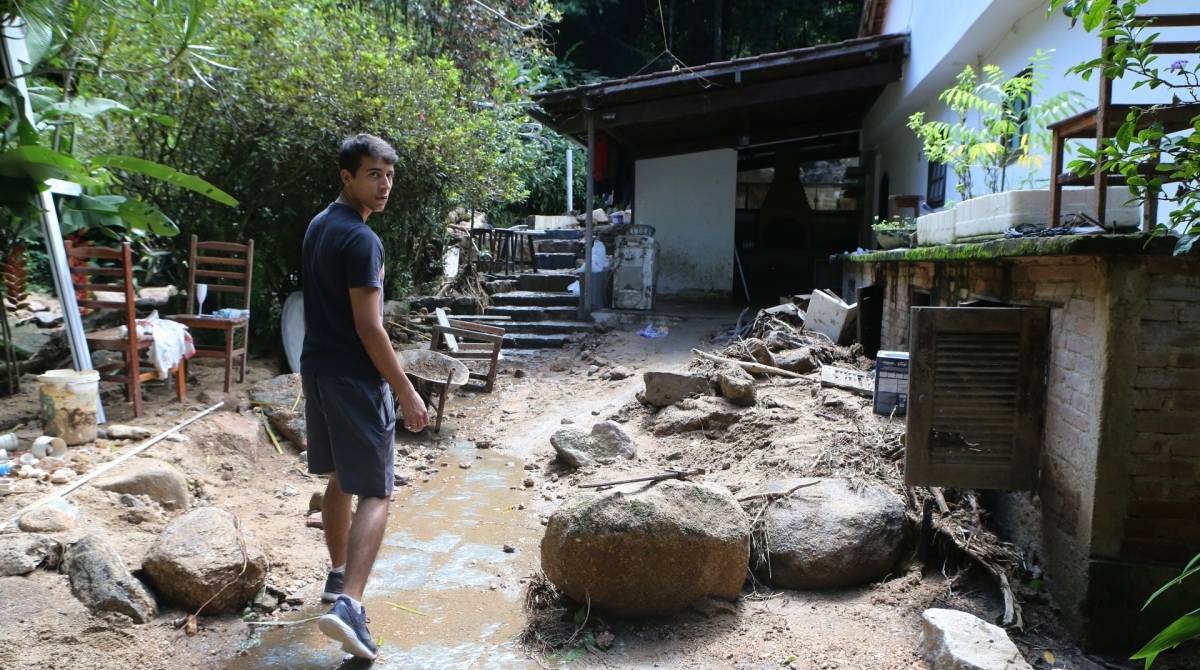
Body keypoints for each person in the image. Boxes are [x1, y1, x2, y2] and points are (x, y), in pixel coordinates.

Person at [301, 133, 430, 660]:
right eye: (373, 174)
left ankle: (336, 578)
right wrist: (406, 390)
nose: (384, 185)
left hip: (318, 371)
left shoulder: (318, 225)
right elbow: (370, 327)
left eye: (390, 175)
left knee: (340, 477)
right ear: (347, 177)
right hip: (355, 377)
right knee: (377, 490)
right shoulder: (361, 239)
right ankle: (350, 605)